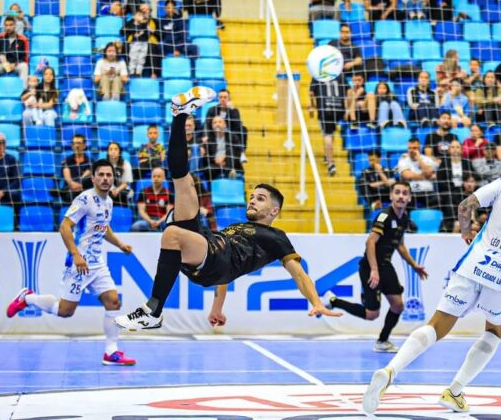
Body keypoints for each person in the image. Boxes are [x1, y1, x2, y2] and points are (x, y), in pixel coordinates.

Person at [362, 150, 501, 415]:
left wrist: (465, 230)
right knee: (494, 332)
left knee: (436, 326)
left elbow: (465, 206)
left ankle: (389, 370)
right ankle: (454, 391)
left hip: (474, 266)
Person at [115, 86, 340, 330]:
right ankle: (179, 115)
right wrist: (217, 308)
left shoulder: (276, 238)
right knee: (184, 183)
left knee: (172, 234)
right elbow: (227, 275)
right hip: (212, 248)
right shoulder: (237, 227)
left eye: (261, 199)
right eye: (252, 196)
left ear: (274, 211)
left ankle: (153, 310)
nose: (252, 200)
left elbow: (299, 273)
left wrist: (315, 301)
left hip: (214, 258)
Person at [6, 160, 137, 367]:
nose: (105, 178)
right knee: (65, 311)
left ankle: (111, 352)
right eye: (100, 175)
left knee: (113, 301)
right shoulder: (84, 199)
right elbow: (65, 227)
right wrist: (76, 255)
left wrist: (120, 245)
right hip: (79, 264)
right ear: (93, 178)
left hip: (97, 264)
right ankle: (28, 298)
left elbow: (103, 228)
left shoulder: (109, 202)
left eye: (108, 175)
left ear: (113, 178)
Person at [325, 182, 428, 352]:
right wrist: (374, 270)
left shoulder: (404, 218)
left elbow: (400, 245)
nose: (401, 196)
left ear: (409, 198)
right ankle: (333, 301)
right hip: (369, 267)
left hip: (385, 266)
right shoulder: (384, 216)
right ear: (391, 196)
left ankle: (382, 341)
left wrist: (415, 266)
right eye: (397, 192)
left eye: (404, 193)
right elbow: (370, 241)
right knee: (372, 314)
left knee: (398, 306)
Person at [310, 75, 347, 176]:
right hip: (339, 108)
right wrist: (347, 109)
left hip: (325, 108)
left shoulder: (318, 75)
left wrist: (312, 107)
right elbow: (348, 92)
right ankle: (327, 155)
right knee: (331, 132)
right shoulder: (339, 75)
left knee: (327, 135)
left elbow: (311, 93)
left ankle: (331, 163)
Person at [0, 16, 29, 88]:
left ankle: (23, 90)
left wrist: (15, 64)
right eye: (6, 25)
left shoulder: (23, 39)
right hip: (3, 65)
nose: (8, 27)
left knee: (24, 66)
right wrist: (1, 59)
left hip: (16, 65)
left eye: (10, 25)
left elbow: (25, 57)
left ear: (15, 25)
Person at [122, 3, 161, 78]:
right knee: (126, 47)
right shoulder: (132, 21)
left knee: (153, 48)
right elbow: (123, 30)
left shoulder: (154, 21)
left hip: (149, 42)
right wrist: (134, 31)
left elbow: (161, 34)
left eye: (146, 9)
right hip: (134, 42)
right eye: (142, 9)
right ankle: (128, 72)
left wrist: (152, 31)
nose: (144, 11)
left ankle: (154, 73)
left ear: (150, 10)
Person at [202, 116, 244, 180]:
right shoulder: (209, 139)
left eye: (220, 122)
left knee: (230, 150)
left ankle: (230, 172)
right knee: (208, 169)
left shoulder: (232, 136)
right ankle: (228, 172)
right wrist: (215, 159)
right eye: (214, 123)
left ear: (225, 125)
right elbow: (205, 155)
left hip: (231, 163)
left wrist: (224, 156)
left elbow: (239, 151)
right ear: (212, 126)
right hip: (215, 165)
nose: (217, 124)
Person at [132, 167, 173, 232]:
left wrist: (159, 222)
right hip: (147, 220)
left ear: (163, 178)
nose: (156, 178)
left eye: (159, 176)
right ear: (151, 177)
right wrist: (150, 221)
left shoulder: (168, 194)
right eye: (154, 176)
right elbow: (141, 211)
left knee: (171, 228)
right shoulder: (144, 192)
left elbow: (169, 213)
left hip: (162, 221)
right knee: (136, 226)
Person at [61, 134, 92, 202]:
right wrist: (73, 184)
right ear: (72, 146)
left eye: (79, 143)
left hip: (85, 191)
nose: (77, 146)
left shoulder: (90, 161)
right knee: (71, 195)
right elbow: (67, 178)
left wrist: (80, 185)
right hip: (70, 191)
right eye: (74, 143)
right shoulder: (67, 160)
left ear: (84, 145)